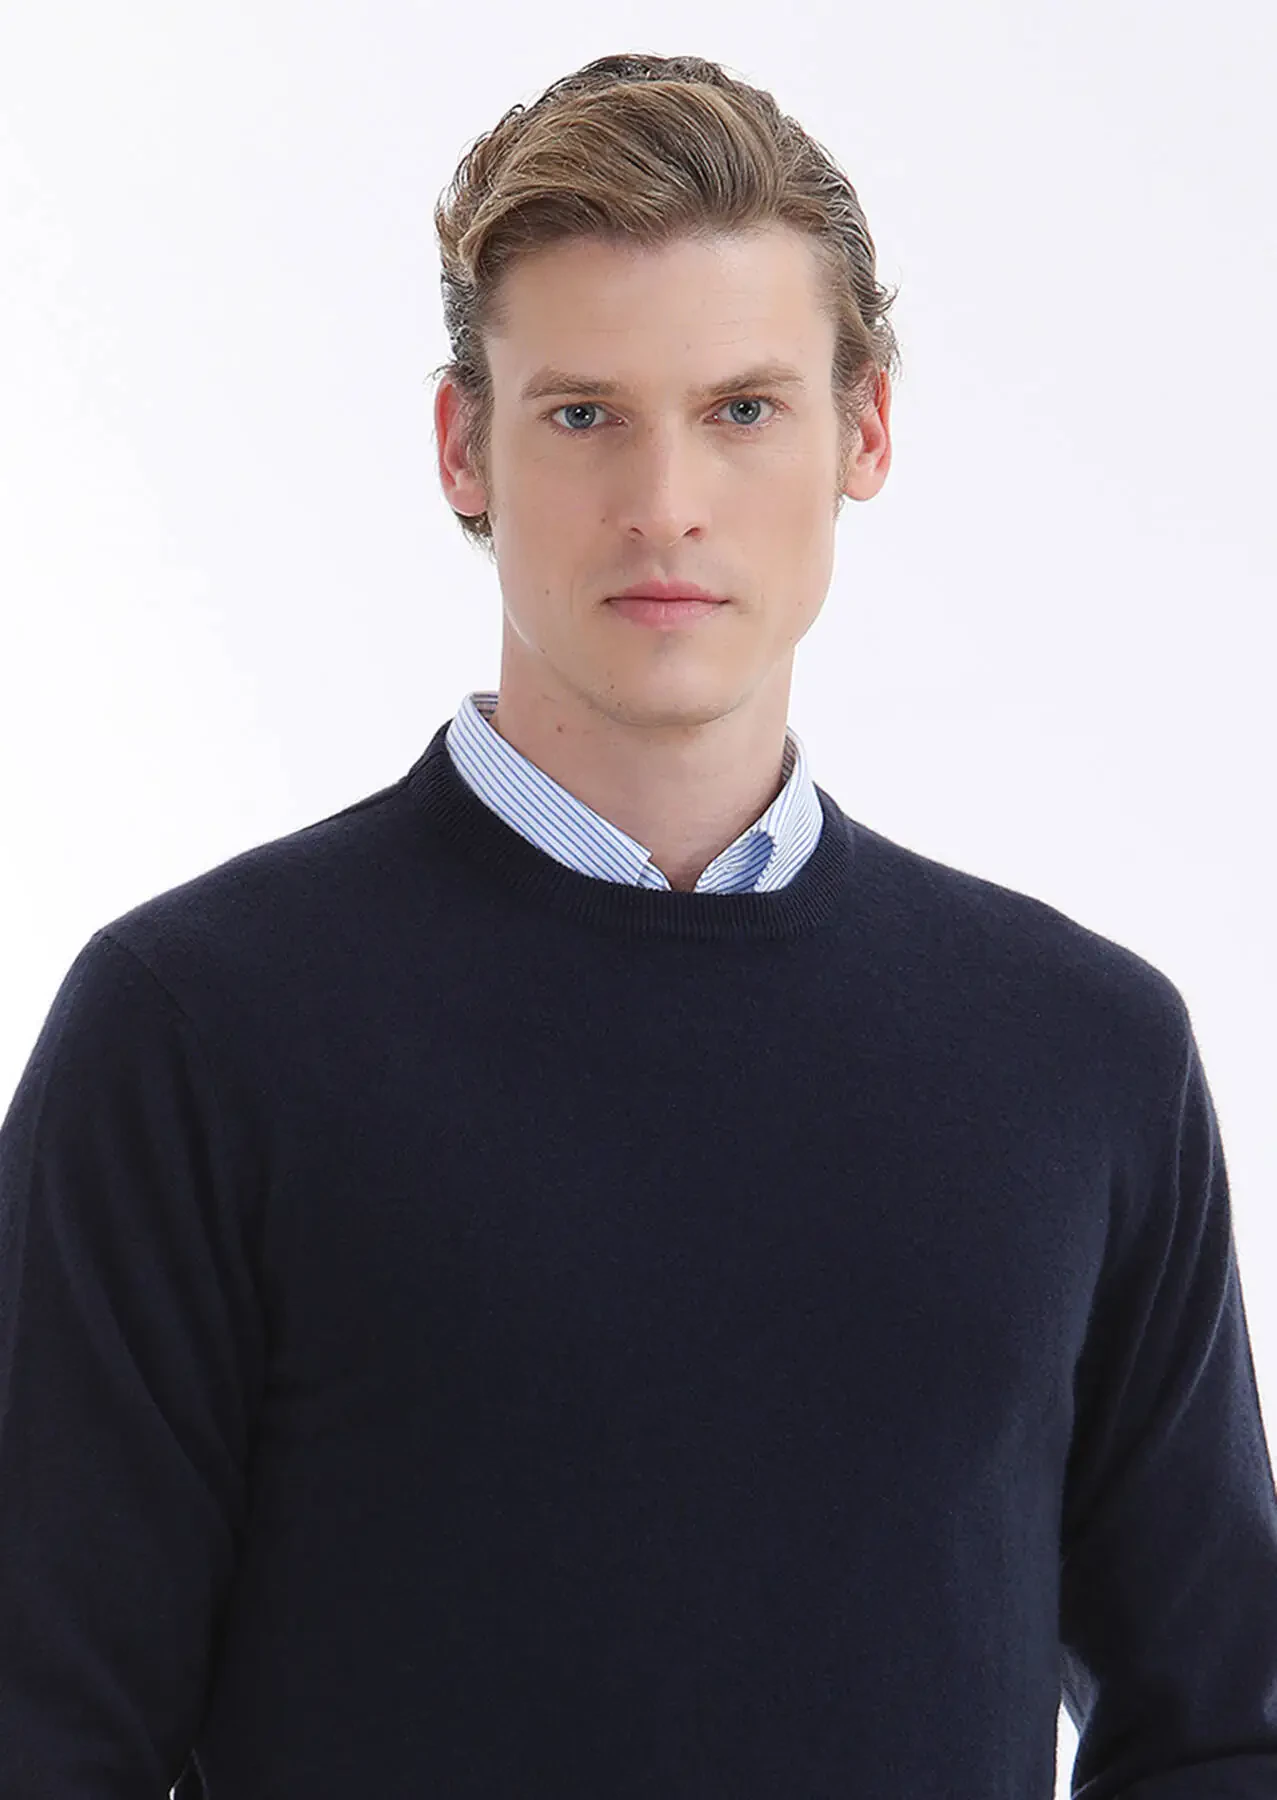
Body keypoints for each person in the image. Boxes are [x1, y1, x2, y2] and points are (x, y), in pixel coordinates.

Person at [1, 49, 1275, 1800]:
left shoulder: (1085, 1057)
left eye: (743, 409)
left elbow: (1223, 1731)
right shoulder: (197, 1036)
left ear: (866, 432)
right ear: (464, 446)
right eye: (584, 413)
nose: (666, 501)